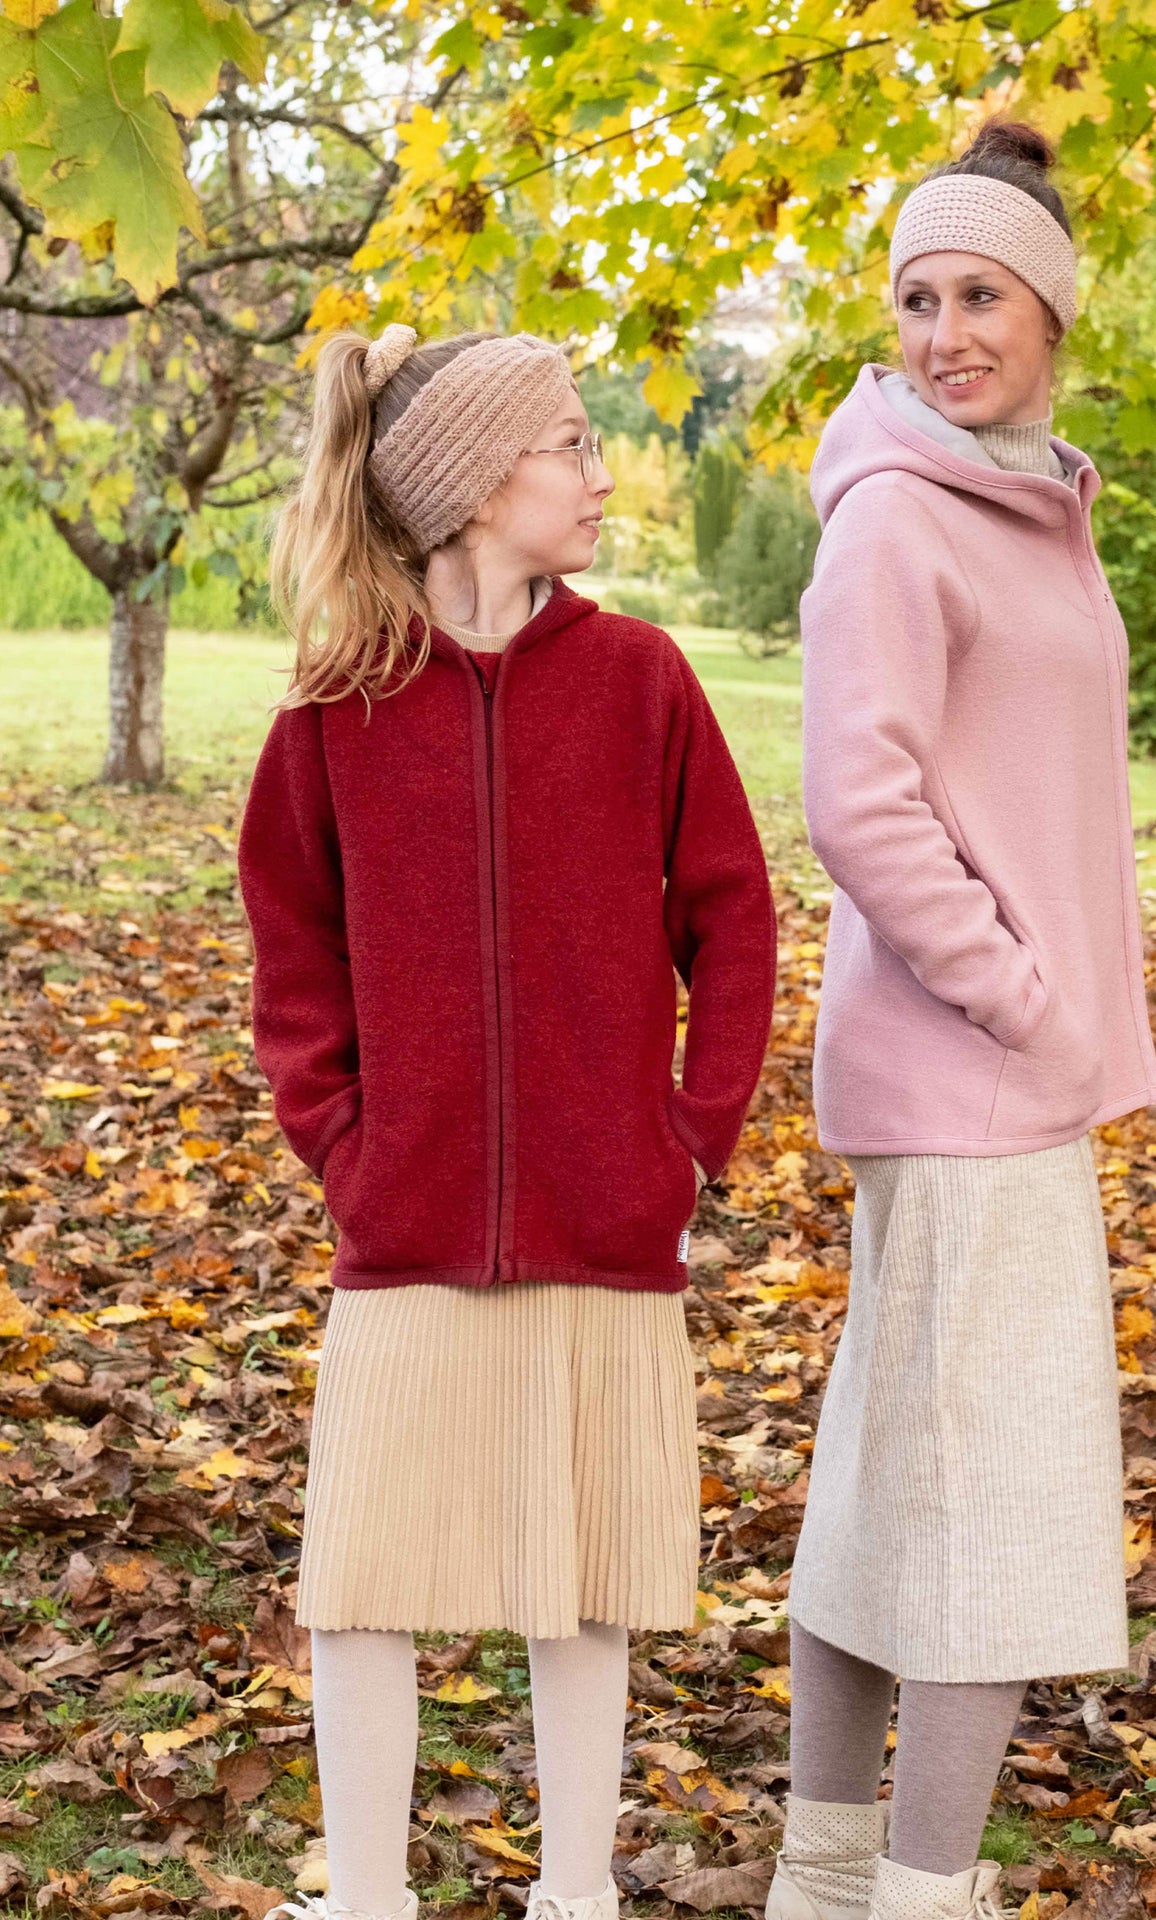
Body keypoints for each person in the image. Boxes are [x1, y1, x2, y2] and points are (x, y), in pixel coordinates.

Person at [238, 325, 777, 1920]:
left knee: (583, 1585)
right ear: (476, 488)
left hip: (606, 1219)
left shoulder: (642, 683)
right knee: (361, 1582)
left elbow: (732, 917)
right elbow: (296, 962)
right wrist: (349, 1145)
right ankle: (370, 1899)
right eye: (572, 445)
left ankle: (577, 1893)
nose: (602, 474)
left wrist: (691, 1139)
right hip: (403, 1229)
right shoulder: (336, 716)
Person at [770, 122, 1156, 1920]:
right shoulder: (899, 518)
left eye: (980, 295)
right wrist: (1021, 995)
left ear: (1053, 315)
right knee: (990, 1519)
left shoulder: (1030, 499)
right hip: (967, 1075)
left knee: (890, 1490)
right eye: (917, 297)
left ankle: (831, 1877)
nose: (943, 331)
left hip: (1000, 1083)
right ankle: (914, 1898)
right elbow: (861, 804)